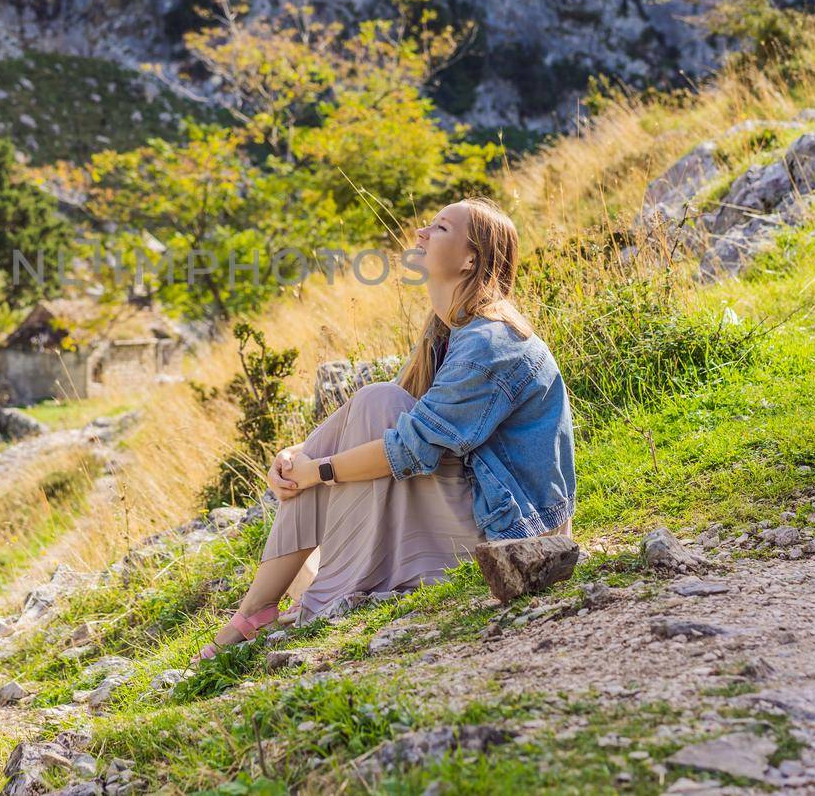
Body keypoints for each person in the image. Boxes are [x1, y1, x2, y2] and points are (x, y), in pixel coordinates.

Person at [191, 197, 576, 664]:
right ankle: (261, 604)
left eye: (439, 228)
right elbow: (386, 422)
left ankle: (268, 607)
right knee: (375, 404)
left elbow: (411, 449)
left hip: (514, 536)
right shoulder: (445, 331)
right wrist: (298, 456)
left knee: (377, 403)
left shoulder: (489, 341)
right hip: (472, 512)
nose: (420, 234)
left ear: (471, 258)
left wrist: (320, 471)